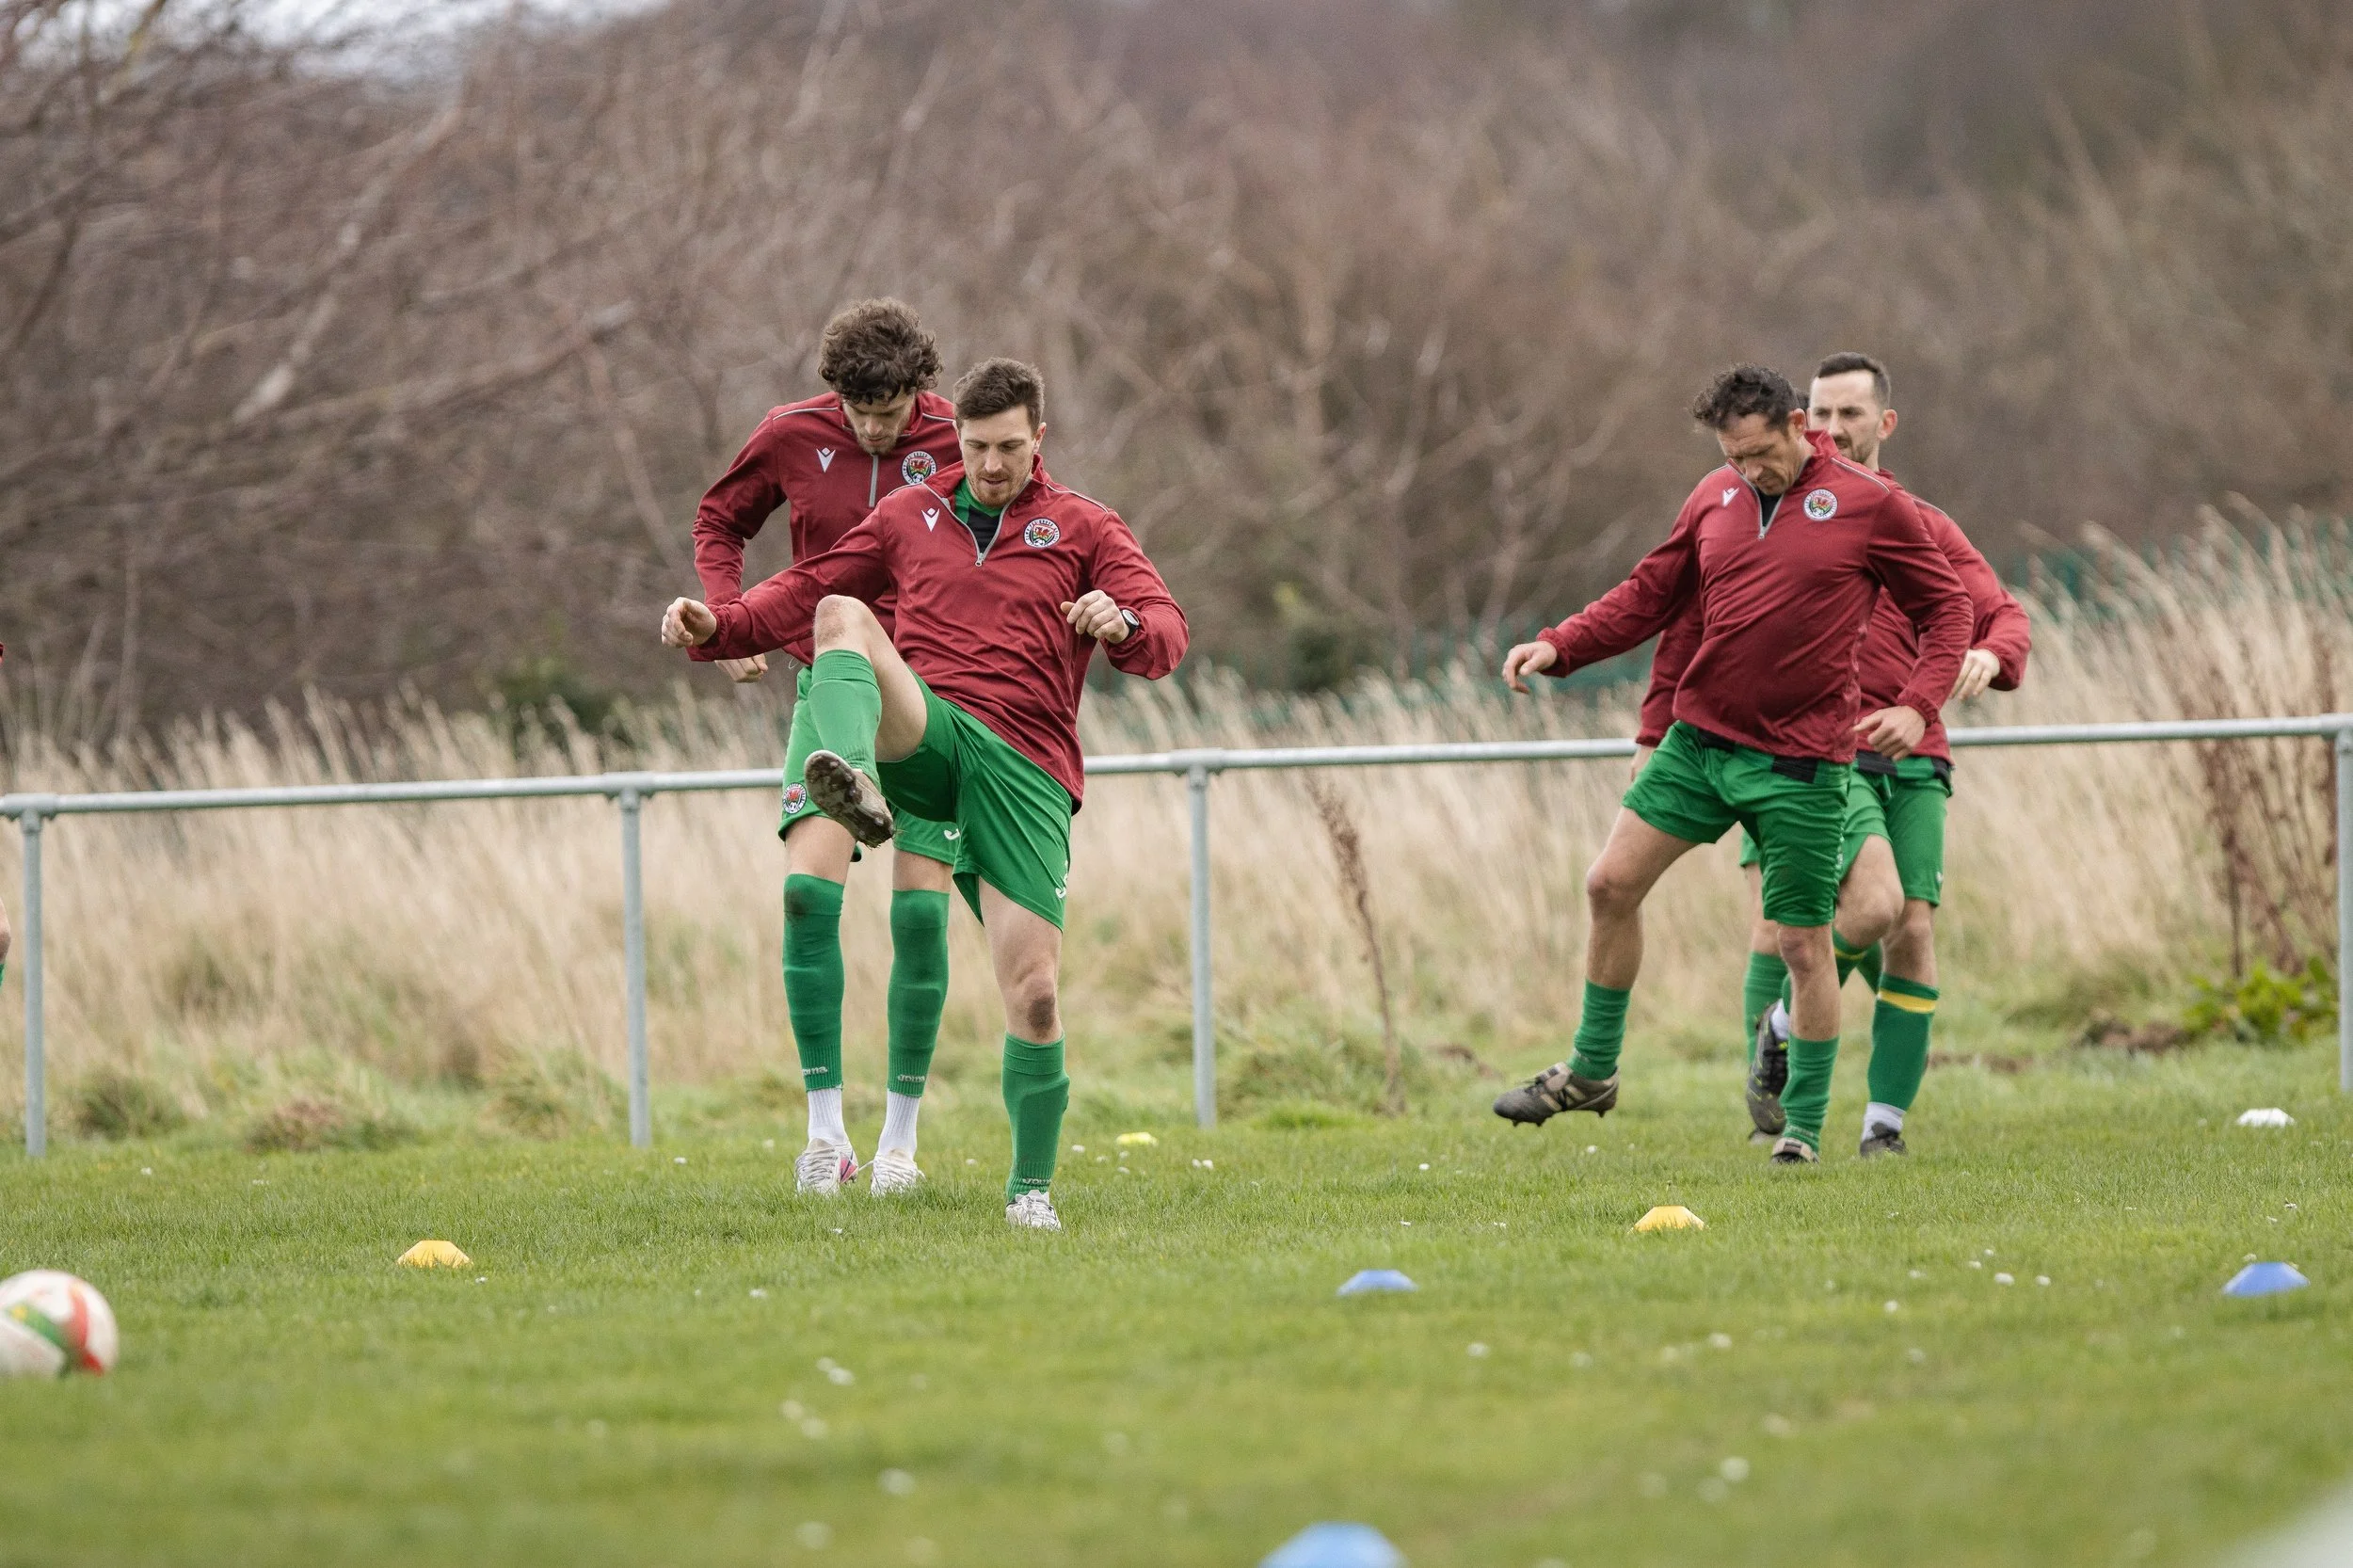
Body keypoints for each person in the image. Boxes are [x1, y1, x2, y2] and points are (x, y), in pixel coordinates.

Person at [661, 358, 1188, 1229]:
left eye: (1008, 448)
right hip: (931, 735)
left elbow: (1166, 632)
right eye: (976, 447)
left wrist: (1122, 622)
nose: (988, 465)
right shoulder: (912, 512)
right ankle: (853, 778)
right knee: (841, 615)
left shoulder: (1086, 527)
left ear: (1038, 441)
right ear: (959, 439)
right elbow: (803, 588)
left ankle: (1030, 1198)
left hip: (1025, 769)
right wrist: (722, 627)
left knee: (1036, 995)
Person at [1490, 364, 1971, 1162]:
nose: (1748, 471)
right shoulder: (1713, 496)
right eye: (1733, 458)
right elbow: (1652, 592)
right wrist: (1561, 643)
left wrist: (1918, 703)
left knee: (1802, 945)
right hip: (1700, 745)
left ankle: (1803, 1134)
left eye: (1758, 455)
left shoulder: (1870, 504)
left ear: (1793, 424)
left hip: (1802, 766)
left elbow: (1948, 607)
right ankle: (1593, 1071)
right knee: (1608, 884)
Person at [687, 299, 966, 1198]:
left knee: (919, 916)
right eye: (859, 414)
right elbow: (720, 522)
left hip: (933, 695)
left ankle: (899, 1146)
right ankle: (825, 1138)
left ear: (919, 395)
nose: (875, 428)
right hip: (826, 684)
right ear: (833, 395)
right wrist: (730, 618)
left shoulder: (968, 446)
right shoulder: (788, 435)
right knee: (808, 900)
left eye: (891, 415)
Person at [1731, 352, 2031, 1155]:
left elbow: (2000, 614)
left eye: (1849, 416)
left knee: (1913, 929)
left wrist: (1993, 657)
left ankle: (1881, 1127)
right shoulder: (1764, 512)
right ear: (1798, 422)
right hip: (1809, 749)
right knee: (1841, 916)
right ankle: (1785, 1065)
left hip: (1917, 750)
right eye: (1819, 415)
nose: (1831, 430)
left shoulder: (1917, 519)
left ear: (1884, 424)